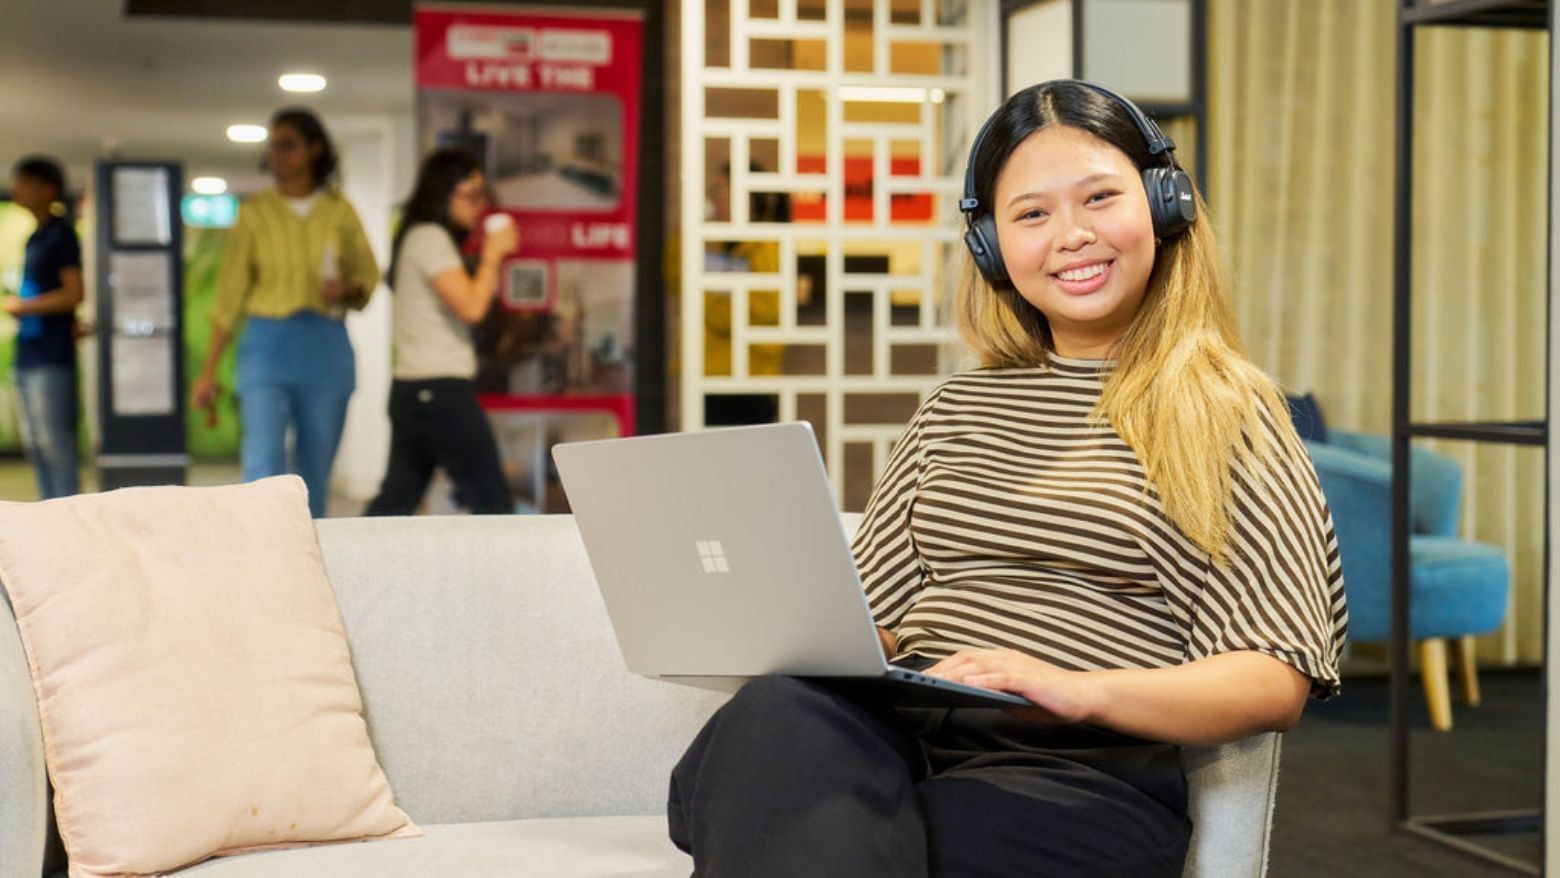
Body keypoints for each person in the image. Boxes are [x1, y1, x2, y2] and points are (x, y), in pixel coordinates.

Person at [666, 80, 1348, 877]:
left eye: (1100, 198)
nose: (1072, 236)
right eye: (1032, 214)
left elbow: (1272, 680)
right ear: (991, 247)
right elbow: (875, 619)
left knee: (841, 830)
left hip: (1072, 773)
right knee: (777, 719)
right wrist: (781, 626)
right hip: (899, 740)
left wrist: (1070, 686)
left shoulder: (1230, 412)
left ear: (1164, 208)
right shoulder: (955, 407)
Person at [191, 107, 379, 518]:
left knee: (316, 467)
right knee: (262, 462)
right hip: (266, 344)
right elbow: (228, 297)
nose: (277, 155)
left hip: (326, 344)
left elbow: (368, 274)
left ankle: (309, 559)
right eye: (273, 147)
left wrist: (346, 288)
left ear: (315, 149)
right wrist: (208, 372)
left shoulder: (339, 211)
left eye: (288, 145)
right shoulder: (256, 212)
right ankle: (259, 555)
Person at [365, 150, 517, 515]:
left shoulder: (420, 237)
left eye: (483, 195)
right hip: (440, 392)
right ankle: (512, 574)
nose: (479, 206)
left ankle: (339, 568)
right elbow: (472, 307)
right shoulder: (430, 237)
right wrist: (494, 254)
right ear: (442, 191)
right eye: (471, 194)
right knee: (493, 503)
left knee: (394, 504)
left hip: (415, 391)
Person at [5, 157, 83, 500]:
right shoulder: (34, 237)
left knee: (54, 443)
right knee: (36, 443)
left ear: (47, 189)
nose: (17, 188)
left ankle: (66, 512)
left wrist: (24, 306)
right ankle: (47, 510)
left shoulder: (61, 234)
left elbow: (73, 293)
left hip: (51, 356)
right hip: (28, 352)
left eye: (24, 182)